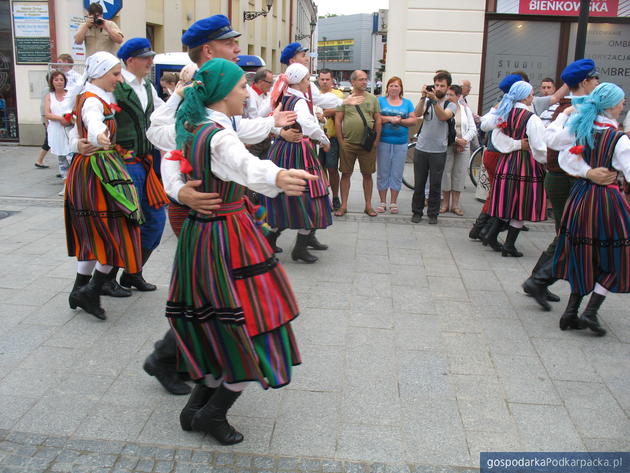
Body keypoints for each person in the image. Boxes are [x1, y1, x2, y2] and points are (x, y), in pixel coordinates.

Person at [142, 15, 299, 396]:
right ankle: (181, 360)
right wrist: (179, 191)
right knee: (213, 293)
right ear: (209, 51)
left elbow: (231, 132)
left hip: (221, 200)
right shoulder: (193, 91)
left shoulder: (215, 95)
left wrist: (271, 125)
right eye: (230, 45)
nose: (238, 50)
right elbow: (167, 139)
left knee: (212, 292)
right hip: (202, 203)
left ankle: (188, 361)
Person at [167, 58, 315, 445]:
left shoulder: (193, 126)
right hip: (228, 235)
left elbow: (173, 161)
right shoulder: (218, 135)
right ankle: (213, 413)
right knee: (254, 323)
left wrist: (179, 190)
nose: (246, 92)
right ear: (220, 93)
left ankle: (195, 409)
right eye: (239, 87)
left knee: (215, 322)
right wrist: (278, 176)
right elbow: (244, 164)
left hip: (201, 235)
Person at [522, 59, 609, 310]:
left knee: (567, 235)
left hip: (567, 178)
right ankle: (538, 281)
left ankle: (538, 281)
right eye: (594, 79)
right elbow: (560, 147)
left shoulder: (578, 108)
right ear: (584, 82)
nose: (597, 83)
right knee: (569, 236)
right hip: (566, 179)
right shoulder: (573, 110)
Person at [64, 51, 142, 321]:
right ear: (98, 73)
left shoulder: (91, 96)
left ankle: (79, 290)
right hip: (96, 172)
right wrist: (96, 136)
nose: (119, 79)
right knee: (115, 230)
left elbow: (75, 132)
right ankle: (91, 290)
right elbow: (90, 121)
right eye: (115, 74)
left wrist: (79, 143)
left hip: (93, 168)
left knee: (94, 232)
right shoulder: (92, 101)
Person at [551, 83, 629, 336]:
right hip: (606, 202)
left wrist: (586, 172)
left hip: (581, 198)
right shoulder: (618, 139)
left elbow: (563, 156)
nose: (622, 105)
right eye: (620, 101)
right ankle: (590, 312)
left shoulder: (581, 127)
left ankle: (571, 311)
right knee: (618, 257)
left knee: (584, 254)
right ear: (610, 105)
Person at [109, 37, 169, 296]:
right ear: (130, 60)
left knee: (155, 219)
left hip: (146, 162)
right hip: (123, 163)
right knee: (126, 223)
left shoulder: (146, 85)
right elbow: (83, 112)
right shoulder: (114, 85)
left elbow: (161, 114)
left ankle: (133, 273)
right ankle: (105, 279)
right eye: (146, 58)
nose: (151, 62)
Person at [262, 63, 332, 264]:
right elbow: (308, 126)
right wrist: (324, 139)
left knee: (282, 196)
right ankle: (299, 247)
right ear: (301, 81)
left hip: (281, 150)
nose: (308, 81)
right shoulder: (298, 101)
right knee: (310, 196)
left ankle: (269, 242)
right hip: (297, 151)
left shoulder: (284, 95)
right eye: (307, 78)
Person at [483, 81, 548, 257]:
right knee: (521, 203)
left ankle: (492, 235)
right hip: (526, 164)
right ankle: (509, 245)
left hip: (506, 161)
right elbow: (539, 146)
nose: (533, 97)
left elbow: (495, 138)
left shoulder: (505, 113)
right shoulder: (531, 118)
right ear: (526, 96)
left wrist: (513, 144)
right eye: (531, 94)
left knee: (507, 201)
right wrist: (545, 162)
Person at [410, 71, 457, 224]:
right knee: (419, 183)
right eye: (436, 85)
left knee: (436, 184)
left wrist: (435, 101)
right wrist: (423, 97)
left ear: (447, 87)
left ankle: (433, 214)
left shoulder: (451, 104)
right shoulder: (428, 101)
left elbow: (443, 116)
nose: (438, 88)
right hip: (422, 148)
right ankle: (417, 212)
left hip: (439, 150)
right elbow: (416, 114)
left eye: (442, 86)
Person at [335, 70, 382, 217]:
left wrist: (376, 140)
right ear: (353, 82)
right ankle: (343, 205)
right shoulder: (345, 99)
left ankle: (368, 206)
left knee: (367, 175)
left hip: (367, 144)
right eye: (361, 79)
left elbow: (378, 119)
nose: (364, 82)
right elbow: (338, 120)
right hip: (348, 143)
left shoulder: (372, 99)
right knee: (346, 174)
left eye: (366, 79)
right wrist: (341, 141)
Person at [375, 76, 417, 214]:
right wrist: (389, 119)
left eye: (396, 86)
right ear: (387, 88)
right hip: (383, 141)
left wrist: (399, 122)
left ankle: (393, 202)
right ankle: (382, 202)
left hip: (401, 142)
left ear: (401, 89)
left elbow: (413, 120)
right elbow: (375, 116)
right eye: (391, 85)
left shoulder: (407, 103)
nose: (394, 88)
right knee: (383, 172)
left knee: (397, 172)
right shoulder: (380, 101)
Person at [440, 84, 477, 216]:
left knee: (459, 174)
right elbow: (443, 128)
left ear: (458, 96)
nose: (448, 97)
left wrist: (464, 140)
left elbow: (473, 128)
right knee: (446, 173)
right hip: (449, 144)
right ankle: (445, 203)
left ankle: (455, 204)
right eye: (447, 95)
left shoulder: (465, 109)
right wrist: (456, 140)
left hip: (463, 146)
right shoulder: (444, 109)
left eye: (451, 95)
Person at [317, 69, 344, 210]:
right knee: (319, 169)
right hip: (316, 140)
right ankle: (324, 197)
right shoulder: (315, 95)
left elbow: (342, 109)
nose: (325, 82)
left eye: (327, 79)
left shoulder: (338, 94)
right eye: (322, 79)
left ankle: (335, 197)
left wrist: (325, 112)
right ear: (318, 80)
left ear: (332, 80)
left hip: (332, 138)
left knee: (332, 168)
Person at [44, 71, 73, 196]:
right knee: (62, 159)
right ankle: (65, 185)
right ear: (52, 82)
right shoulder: (49, 96)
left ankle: (74, 184)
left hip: (70, 129)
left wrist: (68, 119)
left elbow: (76, 110)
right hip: (56, 129)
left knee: (71, 157)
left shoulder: (70, 94)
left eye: (61, 79)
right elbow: (47, 113)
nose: (59, 82)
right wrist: (60, 118)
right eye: (56, 80)